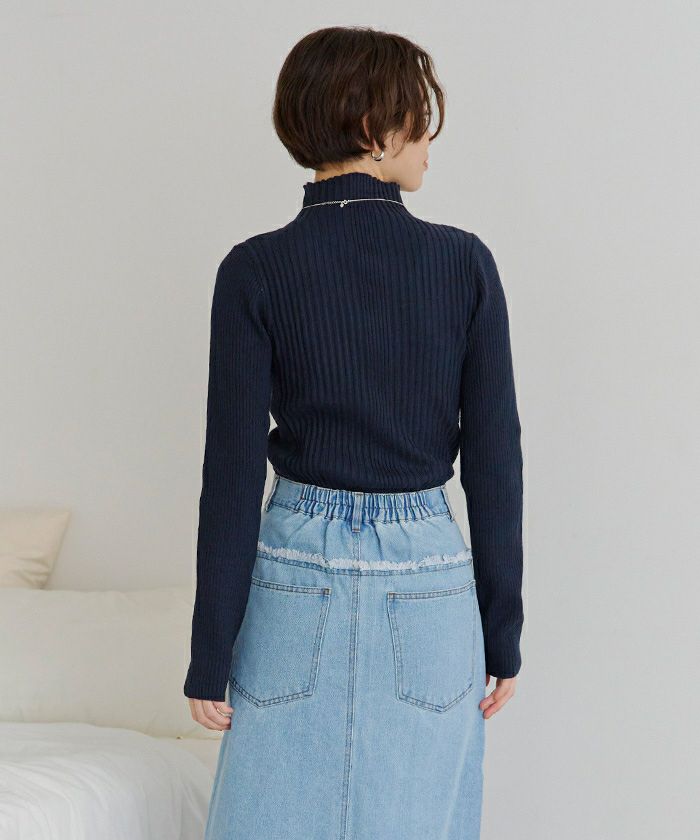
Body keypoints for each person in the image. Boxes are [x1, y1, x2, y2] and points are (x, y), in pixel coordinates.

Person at [184, 24, 524, 840]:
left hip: (295, 568)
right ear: (376, 129)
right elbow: (494, 461)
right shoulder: (464, 263)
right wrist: (502, 633)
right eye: (420, 121)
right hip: (429, 577)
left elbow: (230, 474)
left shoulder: (254, 269)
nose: (430, 142)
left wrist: (209, 653)